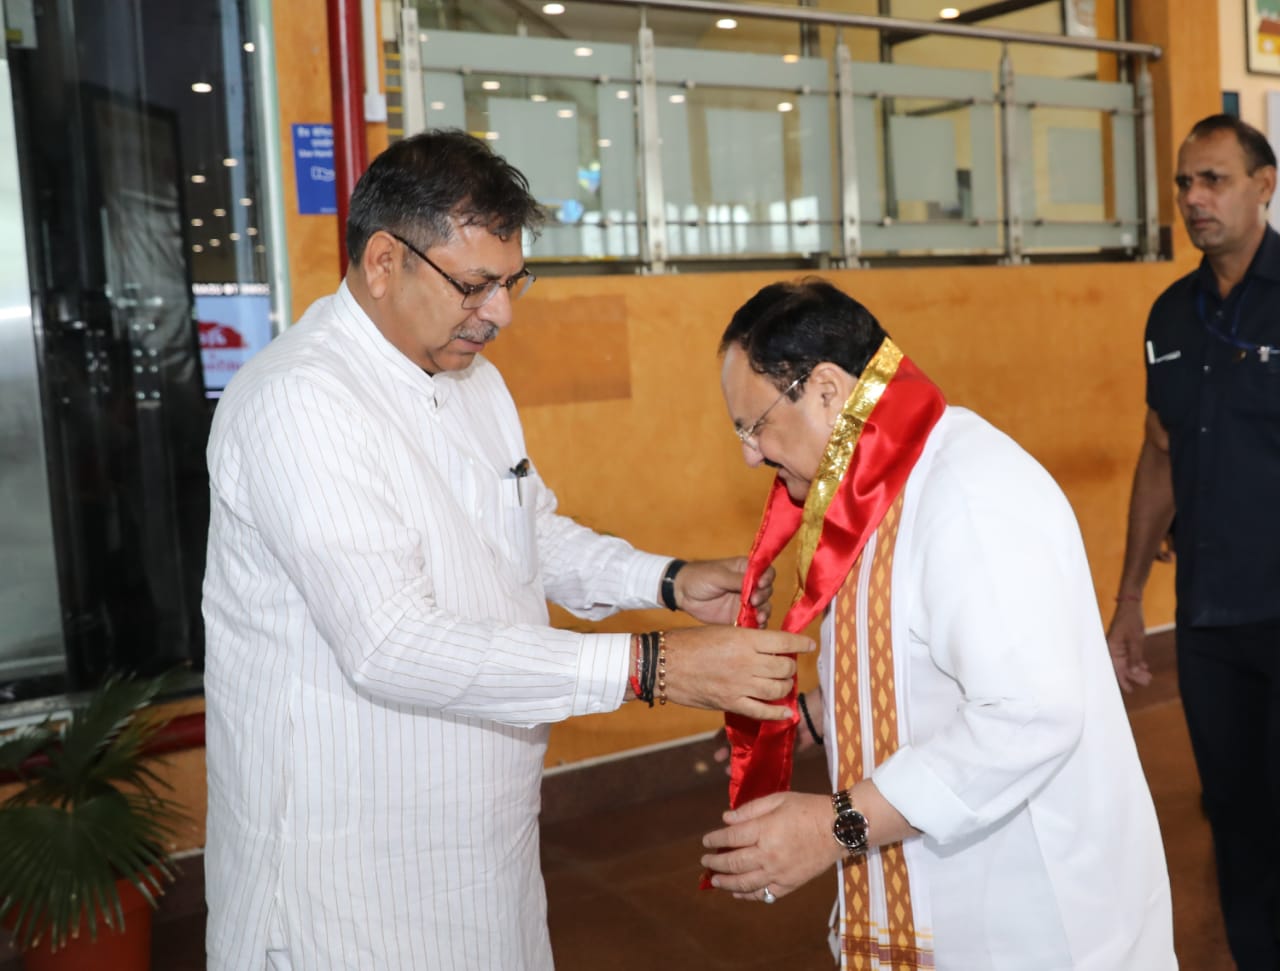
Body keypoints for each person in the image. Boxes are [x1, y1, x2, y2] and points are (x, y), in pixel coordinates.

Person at [201, 130, 811, 970]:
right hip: (346, 880)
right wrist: (651, 668)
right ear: (384, 262)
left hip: (480, 853)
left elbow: (524, 528)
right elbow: (392, 643)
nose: (500, 313)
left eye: (513, 281)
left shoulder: (469, 378)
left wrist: (667, 582)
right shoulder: (299, 404)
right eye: (476, 285)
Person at [700, 279, 1176, 970]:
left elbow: (1030, 713)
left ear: (828, 390)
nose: (750, 453)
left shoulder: (969, 492)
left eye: (756, 424)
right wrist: (819, 712)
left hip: (1035, 918)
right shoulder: (875, 484)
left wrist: (835, 826)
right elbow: (914, 655)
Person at [1106, 113, 1280, 971]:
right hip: (1209, 623)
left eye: (1213, 179)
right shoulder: (1169, 314)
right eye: (1184, 182)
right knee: (1236, 819)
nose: (1194, 199)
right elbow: (1161, 449)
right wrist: (1131, 596)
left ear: (1264, 185)